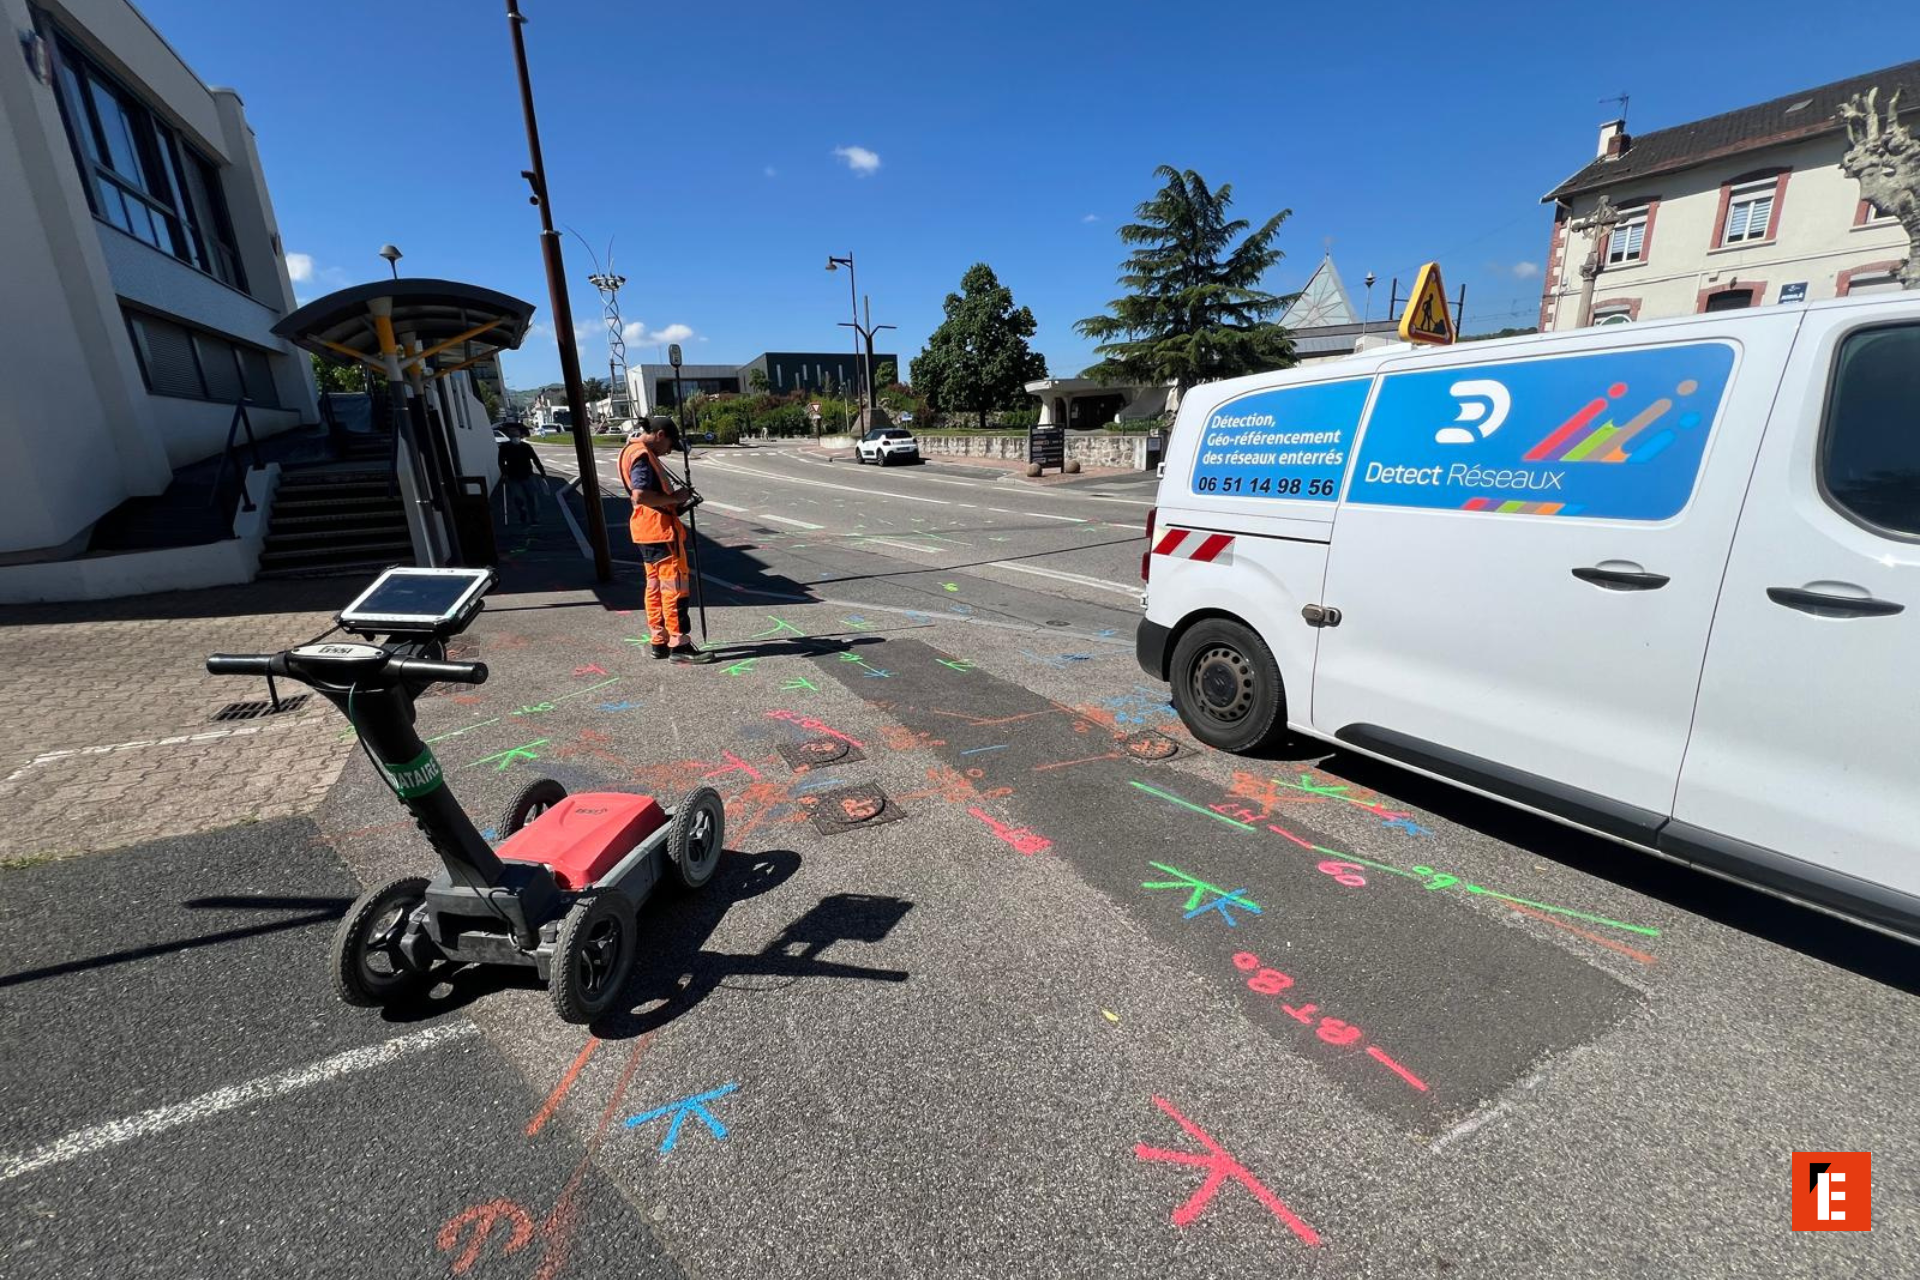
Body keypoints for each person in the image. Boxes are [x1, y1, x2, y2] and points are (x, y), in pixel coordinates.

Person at [619, 417, 708, 662]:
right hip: (660, 531)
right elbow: (641, 496)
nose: (669, 451)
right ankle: (679, 644)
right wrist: (675, 497)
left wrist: (674, 502)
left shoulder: (630, 450)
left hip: (645, 530)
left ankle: (659, 640)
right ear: (659, 435)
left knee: (655, 588)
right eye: (670, 445)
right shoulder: (643, 457)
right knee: (674, 589)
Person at [496, 426, 547, 526]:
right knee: (518, 497)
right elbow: (501, 461)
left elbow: (535, 459)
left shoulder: (526, 447)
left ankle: (535, 518)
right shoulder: (505, 447)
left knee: (532, 497)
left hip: (528, 475)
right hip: (513, 476)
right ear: (510, 437)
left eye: (517, 436)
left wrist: (542, 471)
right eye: (513, 436)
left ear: (520, 436)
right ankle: (522, 511)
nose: (515, 438)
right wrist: (504, 473)